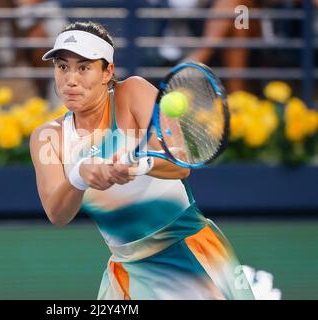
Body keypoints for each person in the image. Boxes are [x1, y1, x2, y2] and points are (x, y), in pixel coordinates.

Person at [30, 21, 255, 300]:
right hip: (128, 272)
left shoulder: (133, 92)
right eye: (62, 67)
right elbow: (57, 213)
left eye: (84, 67)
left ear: (107, 72)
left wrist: (139, 164)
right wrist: (79, 174)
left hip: (188, 252)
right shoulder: (48, 137)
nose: (70, 79)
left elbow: (180, 163)